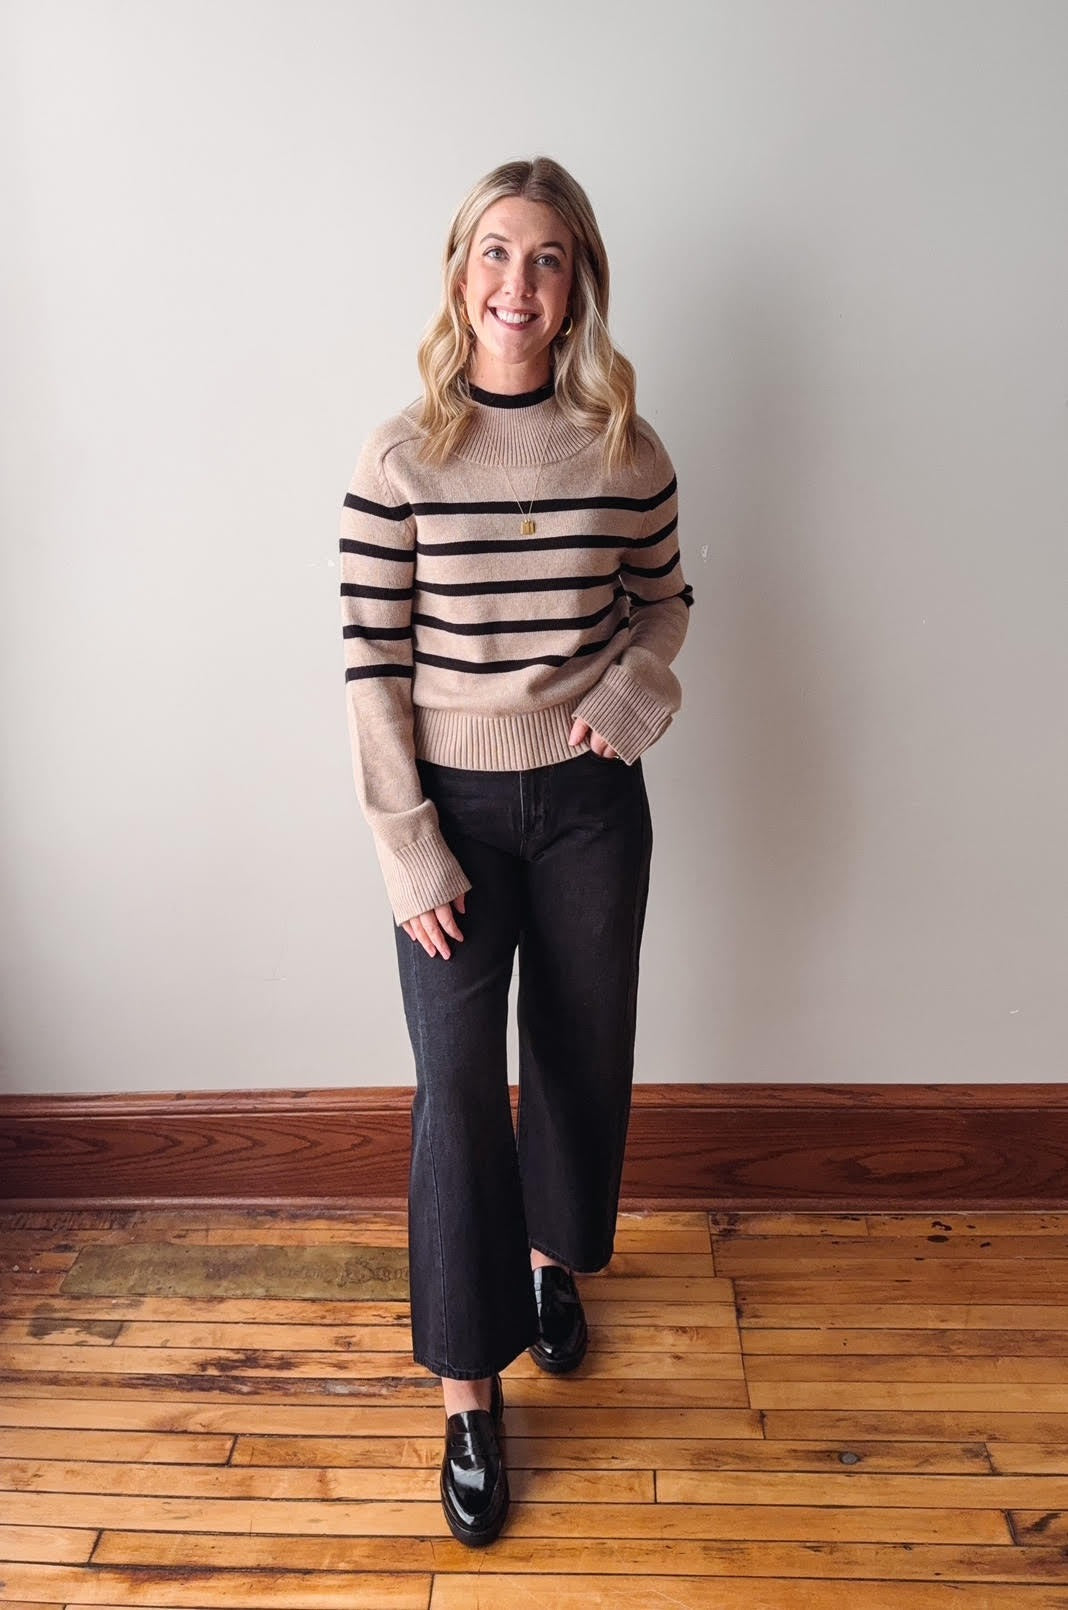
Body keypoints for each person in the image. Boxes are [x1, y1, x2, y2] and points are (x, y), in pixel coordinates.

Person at [338, 155, 694, 1547]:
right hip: (457, 819)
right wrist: (408, 847)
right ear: (459, 272)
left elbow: (664, 602)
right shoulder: (401, 455)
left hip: (594, 807)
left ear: (576, 284)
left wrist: (633, 695)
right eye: (496, 253)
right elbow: (369, 663)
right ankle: (469, 1395)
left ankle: (556, 1263)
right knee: (452, 1099)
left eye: (546, 259)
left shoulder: (628, 447)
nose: (517, 284)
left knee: (581, 1050)